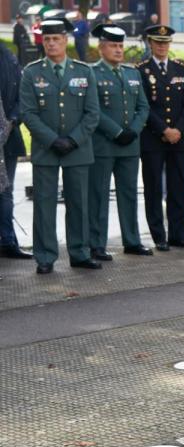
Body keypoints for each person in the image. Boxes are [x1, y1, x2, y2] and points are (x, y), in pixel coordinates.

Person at [20, 18, 100, 274]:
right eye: (47, 39)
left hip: (78, 149)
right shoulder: (31, 73)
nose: (51, 43)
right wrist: (52, 140)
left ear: (66, 40)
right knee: (44, 205)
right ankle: (45, 256)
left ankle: (80, 252)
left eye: (56, 39)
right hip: (47, 149)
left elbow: (92, 113)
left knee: (79, 203)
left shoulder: (83, 71)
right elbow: (28, 113)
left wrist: (73, 139)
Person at [87, 24, 152, 261]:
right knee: (98, 195)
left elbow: (143, 107)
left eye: (120, 46)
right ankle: (96, 244)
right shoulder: (92, 74)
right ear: (101, 48)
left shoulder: (132, 74)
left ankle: (132, 241)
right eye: (113, 46)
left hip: (129, 146)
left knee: (129, 194)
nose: (118, 50)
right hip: (104, 145)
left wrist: (133, 131)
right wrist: (116, 132)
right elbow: (93, 110)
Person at [138, 24, 184, 252]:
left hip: (178, 139)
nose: (162, 46)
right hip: (153, 138)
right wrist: (164, 130)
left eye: (165, 43)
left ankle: (178, 234)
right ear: (150, 43)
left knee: (177, 188)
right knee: (153, 188)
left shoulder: (180, 68)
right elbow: (143, 106)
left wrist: (178, 130)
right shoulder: (141, 70)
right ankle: (158, 236)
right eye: (157, 42)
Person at [0, 42, 31, 259]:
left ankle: (8, 242)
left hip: (7, 137)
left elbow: (22, 96)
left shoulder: (8, 56)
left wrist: (12, 121)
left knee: (5, 192)